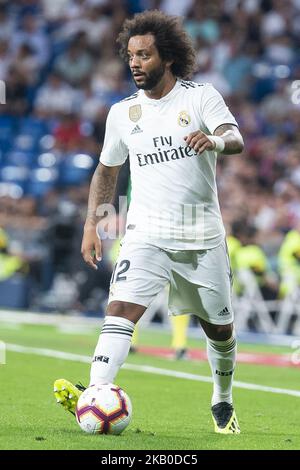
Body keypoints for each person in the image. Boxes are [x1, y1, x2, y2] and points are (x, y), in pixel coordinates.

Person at [54, 10, 244, 434]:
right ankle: (97, 392)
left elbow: (235, 137)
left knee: (220, 328)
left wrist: (213, 140)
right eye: (130, 56)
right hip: (146, 233)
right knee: (120, 308)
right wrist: (92, 224)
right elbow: (107, 171)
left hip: (201, 235)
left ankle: (223, 398)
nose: (135, 63)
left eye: (144, 55)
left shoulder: (200, 97)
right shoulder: (122, 113)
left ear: (168, 58)